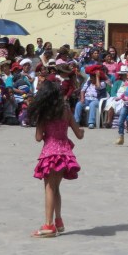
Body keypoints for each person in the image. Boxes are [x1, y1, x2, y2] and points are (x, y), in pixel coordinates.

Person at [29, 79, 84, 238]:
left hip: (50, 153)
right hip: (65, 153)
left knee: (49, 188)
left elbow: (38, 137)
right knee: (56, 188)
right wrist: (82, 132)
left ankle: (48, 225)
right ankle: (58, 220)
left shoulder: (44, 113)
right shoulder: (66, 110)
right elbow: (79, 134)